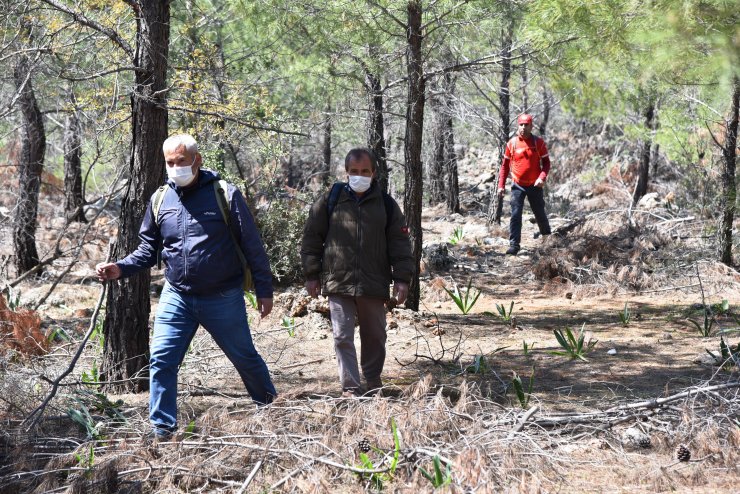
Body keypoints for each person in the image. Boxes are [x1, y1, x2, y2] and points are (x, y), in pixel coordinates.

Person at [96, 134, 276, 439]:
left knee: (244, 357)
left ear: (197, 160)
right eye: (170, 163)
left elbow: (252, 246)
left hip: (222, 297)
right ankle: (163, 431)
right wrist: (119, 268)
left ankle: (271, 409)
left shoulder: (225, 195)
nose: (176, 167)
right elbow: (147, 250)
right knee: (162, 359)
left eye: (182, 161)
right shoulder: (160, 199)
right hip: (176, 295)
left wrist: (264, 290)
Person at [301, 148, 413, 397]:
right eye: (354, 171)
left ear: (373, 173)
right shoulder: (331, 199)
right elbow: (311, 238)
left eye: (364, 171)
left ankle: (372, 380)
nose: (359, 176)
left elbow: (400, 244)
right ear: (346, 172)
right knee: (342, 336)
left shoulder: (386, 204)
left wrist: (402, 279)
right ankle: (350, 387)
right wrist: (311, 274)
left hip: (373, 282)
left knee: (375, 336)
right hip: (338, 281)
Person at [497, 113, 552, 255]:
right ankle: (514, 245)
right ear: (518, 125)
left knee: (539, 213)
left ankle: (548, 240)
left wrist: (542, 177)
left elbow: (546, 163)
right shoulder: (512, 143)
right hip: (518, 185)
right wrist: (501, 186)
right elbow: (504, 166)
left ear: (531, 126)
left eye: (526, 125)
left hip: (535, 185)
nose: (523, 127)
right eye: (521, 124)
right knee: (515, 215)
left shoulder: (538, 143)